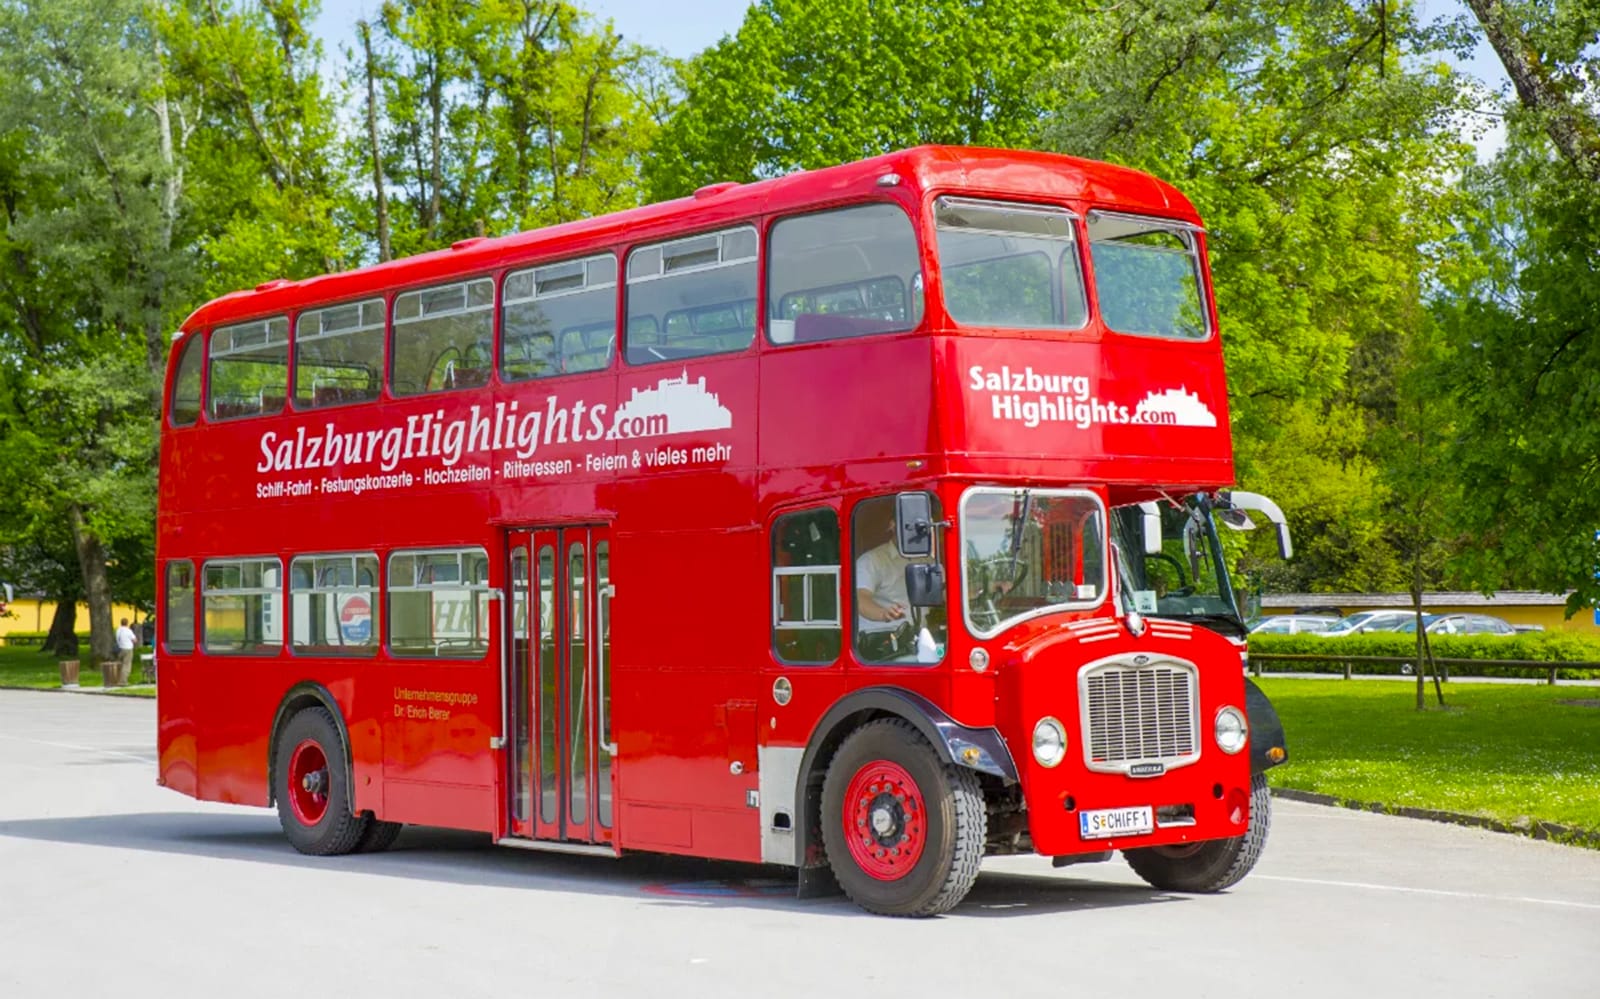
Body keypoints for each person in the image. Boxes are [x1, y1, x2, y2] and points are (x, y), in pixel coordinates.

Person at [114, 618, 137, 686]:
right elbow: (134, 640)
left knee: (120, 664)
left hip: (120, 649)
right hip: (128, 649)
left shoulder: (118, 630)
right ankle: (123, 681)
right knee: (126, 665)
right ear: (127, 623)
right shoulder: (128, 631)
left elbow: (117, 639)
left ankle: (116, 679)